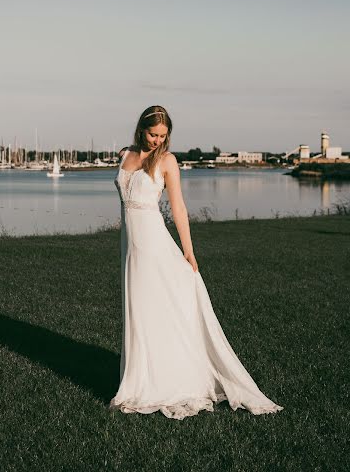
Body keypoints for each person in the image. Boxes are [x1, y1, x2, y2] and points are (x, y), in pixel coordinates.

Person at [109, 105, 283, 420]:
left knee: (154, 307)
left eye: (163, 136)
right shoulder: (125, 155)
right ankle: (140, 376)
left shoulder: (167, 161)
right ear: (141, 130)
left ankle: (166, 379)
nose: (157, 141)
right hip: (130, 246)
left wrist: (189, 251)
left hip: (153, 244)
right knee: (138, 309)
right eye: (152, 134)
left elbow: (177, 207)